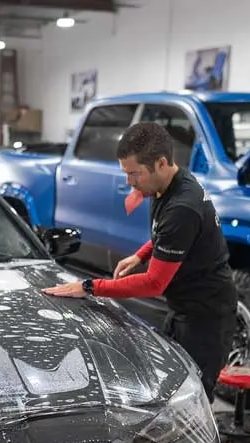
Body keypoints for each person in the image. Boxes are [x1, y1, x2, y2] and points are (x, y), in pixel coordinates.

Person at [43, 122, 238, 402]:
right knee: (174, 385)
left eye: (134, 174)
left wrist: (89, 287)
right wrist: (141, 254)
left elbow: (154, 283)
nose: (129, 183)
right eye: (126, 173)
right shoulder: (168, 183)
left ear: (160, 163)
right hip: (186, 306)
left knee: (194, 399)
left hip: (207, 315)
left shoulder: (183, 206)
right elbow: (170, 235)